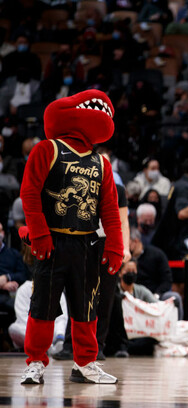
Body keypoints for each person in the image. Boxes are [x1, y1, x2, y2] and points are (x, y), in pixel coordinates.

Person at [19, 90, 123, 385]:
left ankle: (85, 363)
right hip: (52, 242)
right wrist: (39, 232)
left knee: (86, 307)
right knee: (42, 306)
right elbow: (29, 192)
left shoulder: (101, 163)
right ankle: (35, 362)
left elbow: (109, 208)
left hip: (86, 244)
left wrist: (115, 245)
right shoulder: (47, 149)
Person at [152, 156, 188, 322]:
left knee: (178, 288)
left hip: (174, 244)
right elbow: (183, 213)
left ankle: (176, 327)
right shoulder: (185, 187)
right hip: (184, 246)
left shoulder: (178, 185)